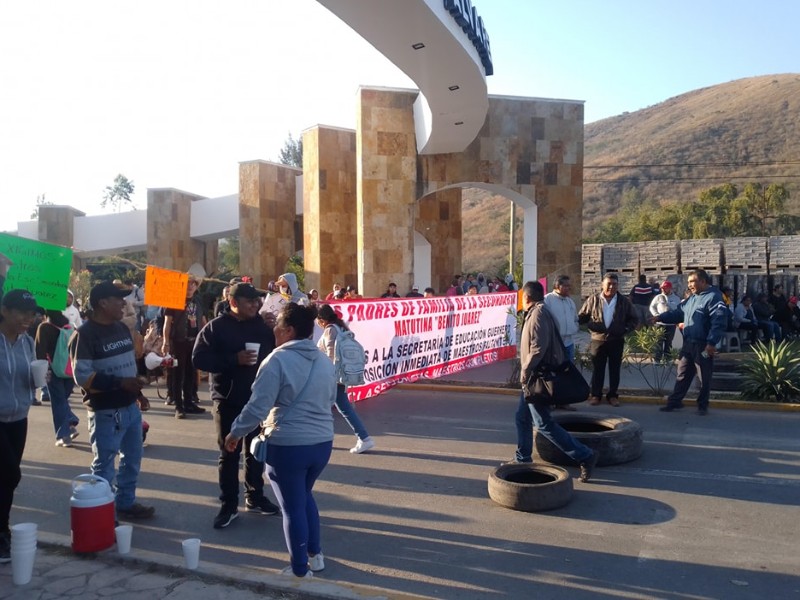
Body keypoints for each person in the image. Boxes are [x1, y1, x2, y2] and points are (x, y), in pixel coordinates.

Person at [224, 303, 336, 579]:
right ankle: (316, 555)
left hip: (288, 445)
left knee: (292, 508)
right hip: (322, 443)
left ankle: (300, 570)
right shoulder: (323, 360)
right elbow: (330, 400)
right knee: (305, 496)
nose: (272, 329)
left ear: (287, 330)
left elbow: (257, 407)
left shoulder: (276, 360)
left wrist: (235, 432)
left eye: (276, 326)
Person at [193, 282, 280, 529]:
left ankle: (255, 497)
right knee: (229, 453)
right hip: (227, 399)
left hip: (257, 399)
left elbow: (274, 353)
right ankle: (228, 506)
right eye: (249, 301)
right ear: (233, 303)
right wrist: (234, 359)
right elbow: (198, 359)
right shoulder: (215, 328)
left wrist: (274, 331)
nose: (255, 305)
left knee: (255, 450)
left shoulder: (261, 326)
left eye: (257, 301)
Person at [69, 280, 155, 519]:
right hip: (106, 411)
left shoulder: (120, 329)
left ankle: (125, 503)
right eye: (119, 299)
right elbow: (82, 376)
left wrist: (137, 391)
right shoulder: (84, 335)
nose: (124, 303)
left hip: (129, 406)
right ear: (102, 303)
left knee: (133, 459)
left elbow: (127, 367)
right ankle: (103, 514)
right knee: (104, 465)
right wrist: (119, 383)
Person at [511, 281, 597, 481]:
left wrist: (525, 369)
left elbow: (538, 348)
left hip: (537, 377)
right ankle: (522, 457)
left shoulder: (539, 313)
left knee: (543, 423)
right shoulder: (537, 311)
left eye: (522, 296)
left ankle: (585, 455)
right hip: (533, 378)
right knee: (522, 417)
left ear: (526, 297)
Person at [0, 280, 42, 562]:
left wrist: (39, 379)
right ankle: (1, 532)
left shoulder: (27, 342)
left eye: (31, 314)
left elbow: (27, 375)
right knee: (9, 474)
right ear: (4, 310)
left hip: (20, 417)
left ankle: (2, 529)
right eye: (22, 313)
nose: (29, 319)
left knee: (8, 476)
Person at [653, 269, 728, 416]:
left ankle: (702, 405)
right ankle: (675, 402)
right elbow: (679, 313)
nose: (689, 285)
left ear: (703, 281)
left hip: (703, 345)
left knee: (703, 377)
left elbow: (718, 322)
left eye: (692, 282)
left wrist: (711, 343)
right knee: (682, 374)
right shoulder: (692, 298)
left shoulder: (714, 298)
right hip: (688, 344)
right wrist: (660, 317)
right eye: (688, 282)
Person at [315, 304, 375, 454]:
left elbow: (330, 356)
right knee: (330, 408)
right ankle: (362, 438)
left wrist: (325, 375)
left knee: (339, 408)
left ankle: (364, 438)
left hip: (332, 376)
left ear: (321, 320)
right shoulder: (341, 328)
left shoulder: (330, 330)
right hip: (340, 375)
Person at [578, 273, 637, 406]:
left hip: (616, 340)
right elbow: (582, 316)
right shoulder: (593, 300)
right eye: (608, 284)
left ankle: (613, 395)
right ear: (602, 285)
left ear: (618, 286)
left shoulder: (624, 301)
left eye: (614, 284)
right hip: (598, 340)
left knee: (614, 369)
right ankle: (596, 395)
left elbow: (634, 319)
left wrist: (625, 330)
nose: (611, 286)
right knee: (598, 369)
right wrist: (590, 326)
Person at [162, 274, 207, 418]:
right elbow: (167, 323)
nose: (190, 286)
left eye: (193, 284)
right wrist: (165, 342)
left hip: (194, 342)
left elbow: (204, 321)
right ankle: (178, 406)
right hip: (178, 342)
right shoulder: (174, 301)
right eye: (187, 284)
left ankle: (189, 402)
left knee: (191, 373)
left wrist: (207, 340)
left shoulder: (198, 301)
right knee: (177, 374)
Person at [35, 310, 80, 447]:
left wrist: (43, 371)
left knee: (58, 401)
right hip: (69, 369)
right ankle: (70, 423)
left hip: (52, 369)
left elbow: (40, 353)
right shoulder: (70, 326)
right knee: (62, 399)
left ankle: (64, 434)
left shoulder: (44, 328)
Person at [543, 275, 579, 362]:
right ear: (557, 286)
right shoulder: (548, 300)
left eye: (569, 286)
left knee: (569, 371)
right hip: (554, 344)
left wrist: (575, 327)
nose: (568, 288)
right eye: (566, 286)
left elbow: (575, 319)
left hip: (569, 343)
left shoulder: (570, 301)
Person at [649, 280, 681, 360]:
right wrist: (656, 315)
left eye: (665, 288)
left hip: (671, 324)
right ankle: (657, 359)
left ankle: (667, 359)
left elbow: (678, 309)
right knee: (658, 342)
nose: (663, 290)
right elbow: (652, 307)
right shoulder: (658, 297)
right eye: (662, 288)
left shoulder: (676, 298)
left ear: (670, 288)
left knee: (668, 342)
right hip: (660, 323)